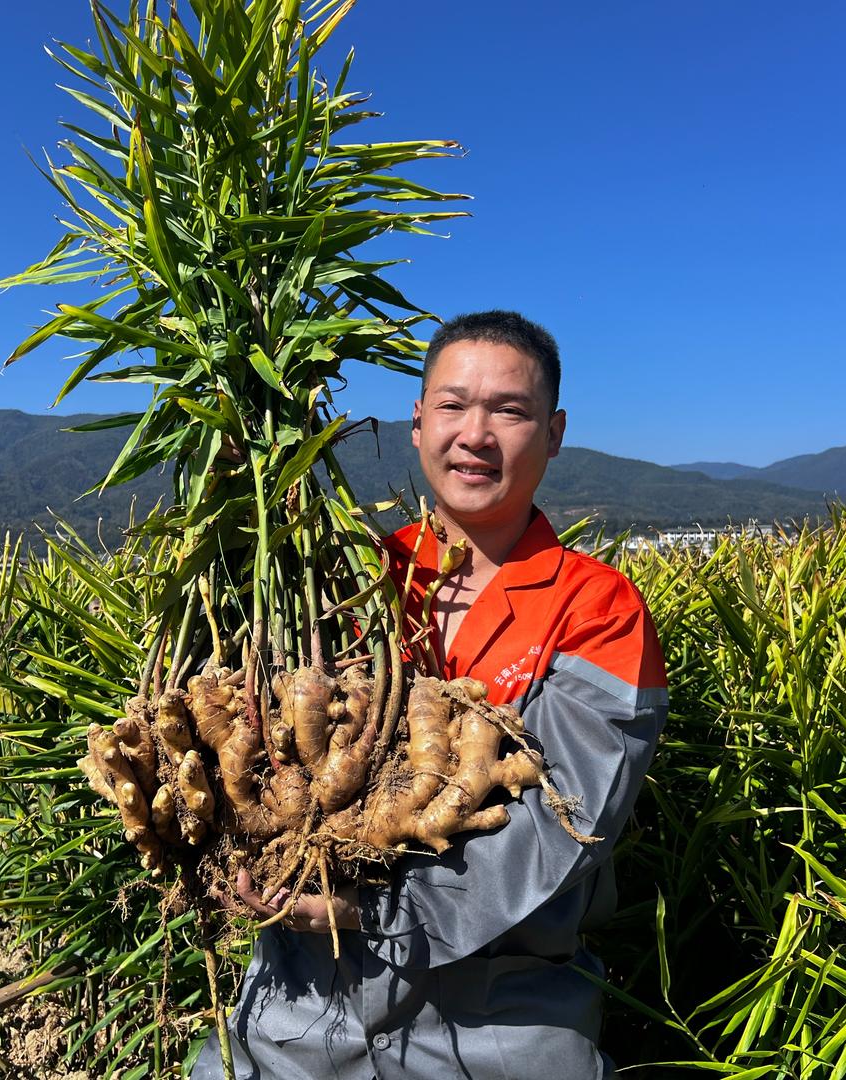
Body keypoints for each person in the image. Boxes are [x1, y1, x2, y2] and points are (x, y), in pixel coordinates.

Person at [194, 310, 668, 1080]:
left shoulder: (599, 611)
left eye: (509, 411)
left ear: (554, 432)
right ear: (417, 423)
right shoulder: (342, 585)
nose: (475, 434)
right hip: (294, 1008)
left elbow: (562, 828)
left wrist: (372, 913)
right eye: (453, 405)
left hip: (499, 1020)